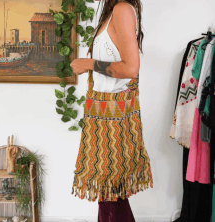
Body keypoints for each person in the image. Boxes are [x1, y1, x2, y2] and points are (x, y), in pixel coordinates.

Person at [71, 0, 153, 221]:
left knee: (111, 195)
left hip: (112, 119)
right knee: (110, 195)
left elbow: (131, 68)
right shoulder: (112, 11)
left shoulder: (121, 9)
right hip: (103, 115)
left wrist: (89, 64)